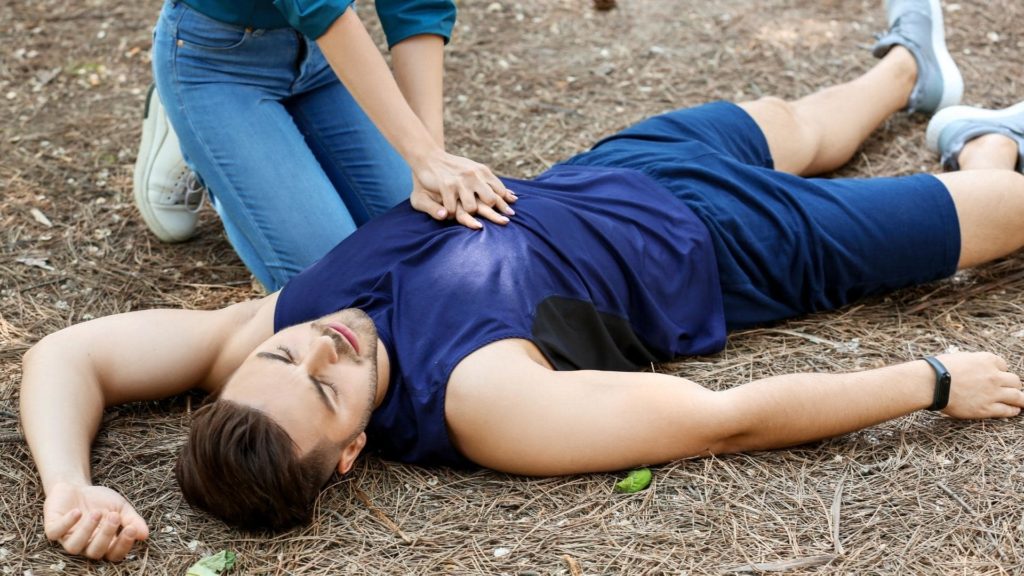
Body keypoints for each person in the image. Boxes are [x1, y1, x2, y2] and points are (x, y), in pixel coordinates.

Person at [21, 0, 1024, 562]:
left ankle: (910, 73)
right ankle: (983, 146)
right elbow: (723, 419)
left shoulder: (278, 329)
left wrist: (68, 484)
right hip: (736, 245)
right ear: (351, 454)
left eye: (286, 354)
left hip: (619, 166)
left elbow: (71, 355)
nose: (328, 343)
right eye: (325, 387)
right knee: (999, 213)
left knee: (804, 121)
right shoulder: (484, 403)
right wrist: (929, 380)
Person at [131, 0, 516, 291]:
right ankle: (198, 130)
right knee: (332, 287)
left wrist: (432, 159)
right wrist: (422, 156)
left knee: (427, 247)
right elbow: (318, 5)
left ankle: (237, 138)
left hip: (323, 58)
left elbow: (416, 5)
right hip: (217, 62)